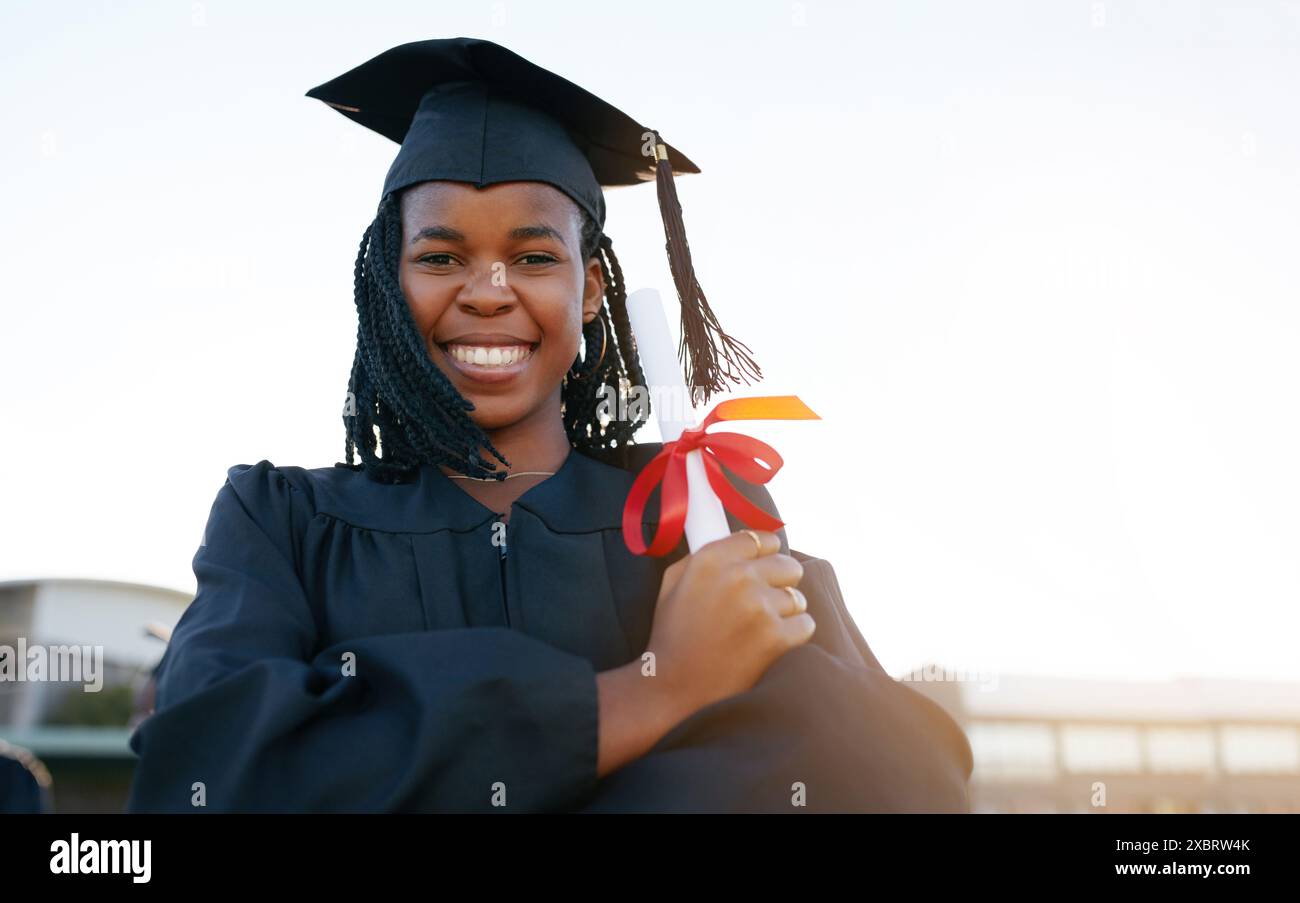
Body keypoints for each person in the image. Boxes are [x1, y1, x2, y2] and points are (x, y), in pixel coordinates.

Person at [126, 37, 972, 813]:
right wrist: (657, 691)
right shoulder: (282, 526)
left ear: (593, 288)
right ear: (389, 280)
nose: (489, 290)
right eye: (439, 256)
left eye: (534, 257)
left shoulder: (698, 515)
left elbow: (882, 770)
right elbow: (212, 768)